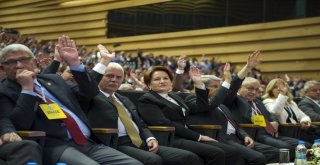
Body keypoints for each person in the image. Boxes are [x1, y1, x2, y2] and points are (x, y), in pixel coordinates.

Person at [0, 35, 141, 165]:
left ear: (34, 61)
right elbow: (19, 124)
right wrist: (27, 88)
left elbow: (89, 92)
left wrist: (74, 64)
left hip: (88, 143)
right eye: (11, 62)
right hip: (54, 146)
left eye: (24, 59)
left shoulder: (53, 79)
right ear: (3, 68)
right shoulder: (4, 91)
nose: (18, 65)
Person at [87, 61, 202, 165]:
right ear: (100, 76)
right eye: (109, 76)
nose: (114, 80)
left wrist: (150, 138)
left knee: (188, 157)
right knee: (153, 160)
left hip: (141, 141)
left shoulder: (124, 99)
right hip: (116, 143)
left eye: (118, 77)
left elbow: (140, 123)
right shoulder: (92, 97)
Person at [137, 64, 240, 165]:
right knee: (216, 153)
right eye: (157, 79)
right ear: (149, 84)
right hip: (170, 137)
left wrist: (198, 84)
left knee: (232, 151)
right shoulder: (147, 99)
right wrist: (198, 136)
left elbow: (202, 106)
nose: (162, 81)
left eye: (166, 78)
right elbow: (164, 123)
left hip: (186, 135)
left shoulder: (174, 96)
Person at [223, 74, 304, 161]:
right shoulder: (234, 100)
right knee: (285, 148)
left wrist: (275, 121)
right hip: (252, 134)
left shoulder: (258, 101)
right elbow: (233, 89)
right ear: (239, 88)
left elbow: (270, 114)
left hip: (269, 133)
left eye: (256, 90)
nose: (254, 92)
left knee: (301, 146)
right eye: (250, 88)